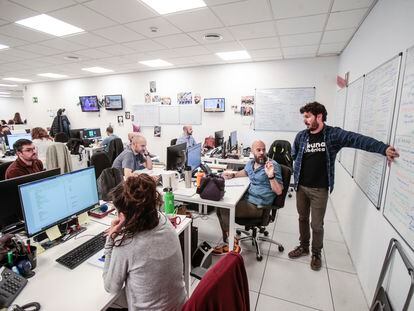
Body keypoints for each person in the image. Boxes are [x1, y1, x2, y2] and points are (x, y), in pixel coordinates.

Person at [288, 101, 400, 271]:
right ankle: (303, 246)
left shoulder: (333, 135)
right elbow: (294, 154)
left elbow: (357, 140)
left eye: (308, 117)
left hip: (320, 189)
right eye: (304, 117)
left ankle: (316, 253)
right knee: (302, 218)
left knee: (316, 225)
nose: (305, 120)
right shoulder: (301, 136)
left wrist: (383, 148)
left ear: (319, 116)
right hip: (301, 187)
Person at [103, 174, 187, 310]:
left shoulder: (126, 245)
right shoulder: (164, 221)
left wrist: (110, 239)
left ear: (123, 216)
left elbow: (110, 287)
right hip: (180, 306)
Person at [214, 140, 284, 254]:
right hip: (248, 198)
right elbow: (246, 172)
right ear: (252, 151)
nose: (262, 152)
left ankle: (231, 245)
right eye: (258, 150)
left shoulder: (272, 165)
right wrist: (233, 175)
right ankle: (228, 240)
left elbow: (279, 191)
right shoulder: (251, 163)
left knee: (224, 208)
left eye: (263, 149)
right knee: (219, 206)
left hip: (258, 205)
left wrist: (271, 176)